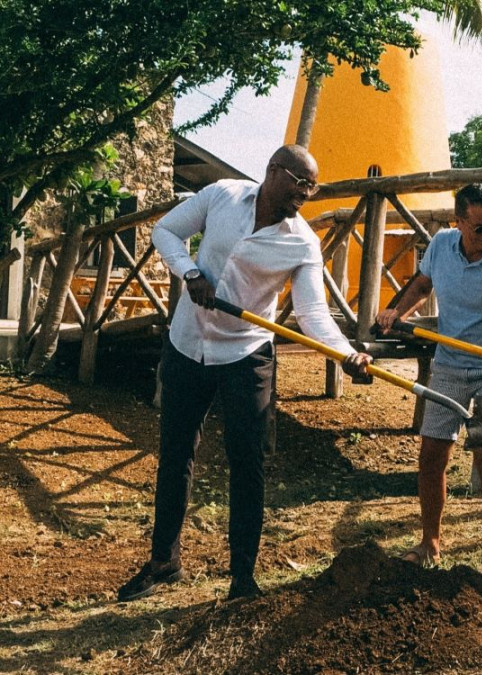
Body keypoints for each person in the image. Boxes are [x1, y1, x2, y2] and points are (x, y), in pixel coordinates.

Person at [117, 145, 372, 602]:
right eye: (301, 183)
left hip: (244, 355)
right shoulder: (221, 195)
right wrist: (190, 273)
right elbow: (166, 231)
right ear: (274, 171)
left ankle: (242, 579)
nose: (306, 195)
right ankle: (163, 562)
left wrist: (345, 353)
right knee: (176, 455)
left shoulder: (302, 242)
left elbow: (313, 311)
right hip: (186, 343)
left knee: (247, 463)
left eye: (313, 188)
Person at [375, 183, 482, 584]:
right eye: (480, 228)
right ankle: (430, 543)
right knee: (432, 455)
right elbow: (423, 284)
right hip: (448, 366)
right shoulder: (442, 245)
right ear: (459, 222)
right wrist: (396, 311)